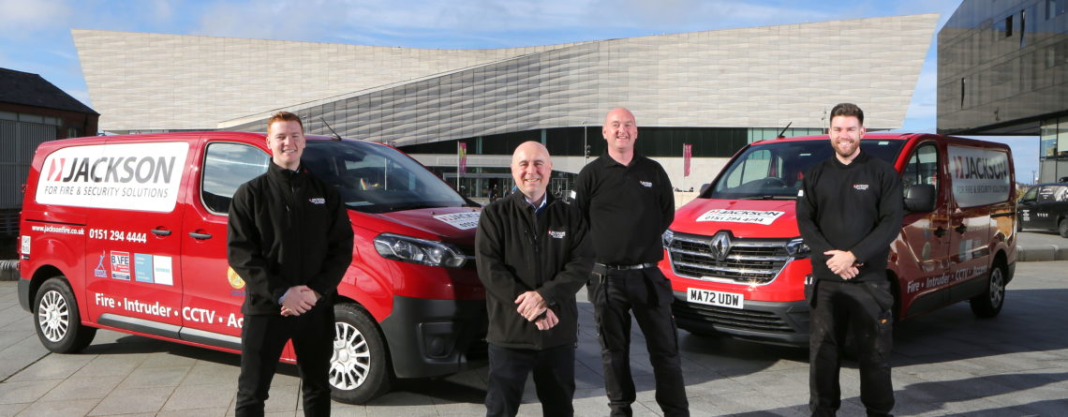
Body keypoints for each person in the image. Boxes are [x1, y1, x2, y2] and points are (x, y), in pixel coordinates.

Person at [228, 111, 354, 417]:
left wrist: (315, 292)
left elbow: (341, 249)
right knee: (252, 393)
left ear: (304, 141)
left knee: (318, 388)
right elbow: (241, 253)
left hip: (315, 307)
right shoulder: (250, 194)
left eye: (295, 135)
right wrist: (282, 293)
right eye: (281, 137)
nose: (289, 142)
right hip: (266, 308)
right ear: (269, 142)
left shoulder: (325, 193)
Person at [574, 107, 689, 417]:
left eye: (628, 125)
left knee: (666, 351)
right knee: (614, 353)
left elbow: (666, 214)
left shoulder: (653, 171)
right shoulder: (591, 174)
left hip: (648, 276)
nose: (621, 130)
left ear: (636, 132)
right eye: (615, 125)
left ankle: (676, 412)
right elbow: (579, 222)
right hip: (606, 279)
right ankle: (620, 410)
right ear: (604, 132)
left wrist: (639, 243)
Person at [796, 103, 902, 417]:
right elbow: (806, 222)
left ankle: (879, 412)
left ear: (862, 132)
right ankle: (823, 412)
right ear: (829, 132)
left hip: (869, 281)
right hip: (826, 281)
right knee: (823, 354)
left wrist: (853, 256)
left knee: (874, 353)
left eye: (850, 129)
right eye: (838, 129)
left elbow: (891, 223)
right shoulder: (815, 175)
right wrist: (834, 260)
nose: (844, 135)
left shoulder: (882, 173)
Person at [475, 141, 593, 417]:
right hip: (509, 334)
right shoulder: (494, 215)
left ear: (550, 169)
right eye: (524, 164)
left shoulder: (570, 216)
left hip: (556, 333)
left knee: (560, 409)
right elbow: (490, 269)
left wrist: (545, 296)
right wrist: (534, 308)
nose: (531, 171)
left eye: (539, 163)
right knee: (500, 410)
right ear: (513, 170)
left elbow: (581, 264)